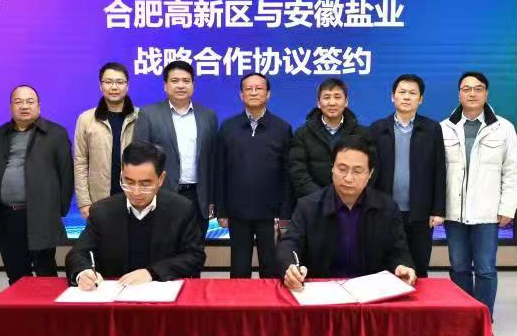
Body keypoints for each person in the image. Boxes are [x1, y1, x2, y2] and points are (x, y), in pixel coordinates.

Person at [278, 136, 417, 290]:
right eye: (342, 169)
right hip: (323, 292)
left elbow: (398, 252)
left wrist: (402, 266)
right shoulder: (308, 207)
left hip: (370, 293)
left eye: (357, 171)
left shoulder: (387, 208)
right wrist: (290, 267)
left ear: (370, 173)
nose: (348, 178)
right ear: (332, 168)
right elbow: (290, 245)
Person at [441, 71, 517, 330]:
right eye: (466, 89)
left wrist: (508, 207)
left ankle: (484, 321)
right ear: (459, 94)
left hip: (487, 213)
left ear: (486, 93)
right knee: (459, 268)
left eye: (478, 89)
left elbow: (512, 170)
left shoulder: (503, 128)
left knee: (486, 269)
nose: (472, 93)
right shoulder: (444, 128)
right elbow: (437, 173)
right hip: (454, 213)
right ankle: (463, 320)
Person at [66, 141, 206, 288]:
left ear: (161, 179)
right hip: (115, 293)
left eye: (145, 184)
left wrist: (152, 273)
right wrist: (83, 273)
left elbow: (194, 256)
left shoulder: (180, 209)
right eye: (129, 182)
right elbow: (77, 254)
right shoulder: (102, 211)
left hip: (162, 292)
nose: (136, 192)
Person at [0, 85, 74, 285]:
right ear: (11, 106)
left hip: (42, 215)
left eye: (30, 101)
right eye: (18, 102)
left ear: (38, 106)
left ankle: (47, 306)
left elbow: (67, 175)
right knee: (16, 275)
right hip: (7, 216)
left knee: (45, 272)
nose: (24, 106)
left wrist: (58, 210)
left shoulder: (55, 134)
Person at [216, 72, 293, 278]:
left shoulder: (282, 128)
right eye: (248, 89)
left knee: (271, 266)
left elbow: (287, 174)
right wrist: (221, 210)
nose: (253, 92)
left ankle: (270, 300)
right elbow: (220, 170)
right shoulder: (228, 127)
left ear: (268, 94)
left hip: (270, 213)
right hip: (237, 212)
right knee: (239, 267)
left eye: (259, 88)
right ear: (241, 95)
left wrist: (285, 213)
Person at [369, 74, 446, 278]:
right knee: (384, 267)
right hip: (385, 210)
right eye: (401, 92)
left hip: (420, 213)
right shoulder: (377, 129)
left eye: (412, 93)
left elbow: (439, 170)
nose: (406, 97)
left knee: (418, 267)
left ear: (420, 99)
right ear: (392, 97)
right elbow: (370, 172)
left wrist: (438, 210)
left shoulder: (432, 129)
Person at [134, 60, 218, 238]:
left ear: (193, 85)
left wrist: (212, 198)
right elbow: (139, 158)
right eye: (175, 81)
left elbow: (212, 160)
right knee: (164, 246)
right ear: (165, 86)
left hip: (198, 197)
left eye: (186, 81)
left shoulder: (208, 116)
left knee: (195, 247)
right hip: (162, 194)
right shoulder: (149, 114)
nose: (181, 85)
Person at [288, 78, 373, 199]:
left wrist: (350, 196)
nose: (332, 103)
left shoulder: (363, 134)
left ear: (346, 101)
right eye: (326, 97)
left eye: (337, 97)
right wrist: (323, 198)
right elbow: (298, 172)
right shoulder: (302, 134)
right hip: (314, 203)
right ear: (318, 103)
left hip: (353, 202)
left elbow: (371, 170)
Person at [74, 62, 139, 219]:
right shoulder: (86, 119)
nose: (114, 87)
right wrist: (84, 202)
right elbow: (80, 162)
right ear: (100, 85)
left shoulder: (141, 117)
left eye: (119, 82)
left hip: (135, 197)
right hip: (99, 200)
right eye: (108, 82)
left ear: (127, 86)